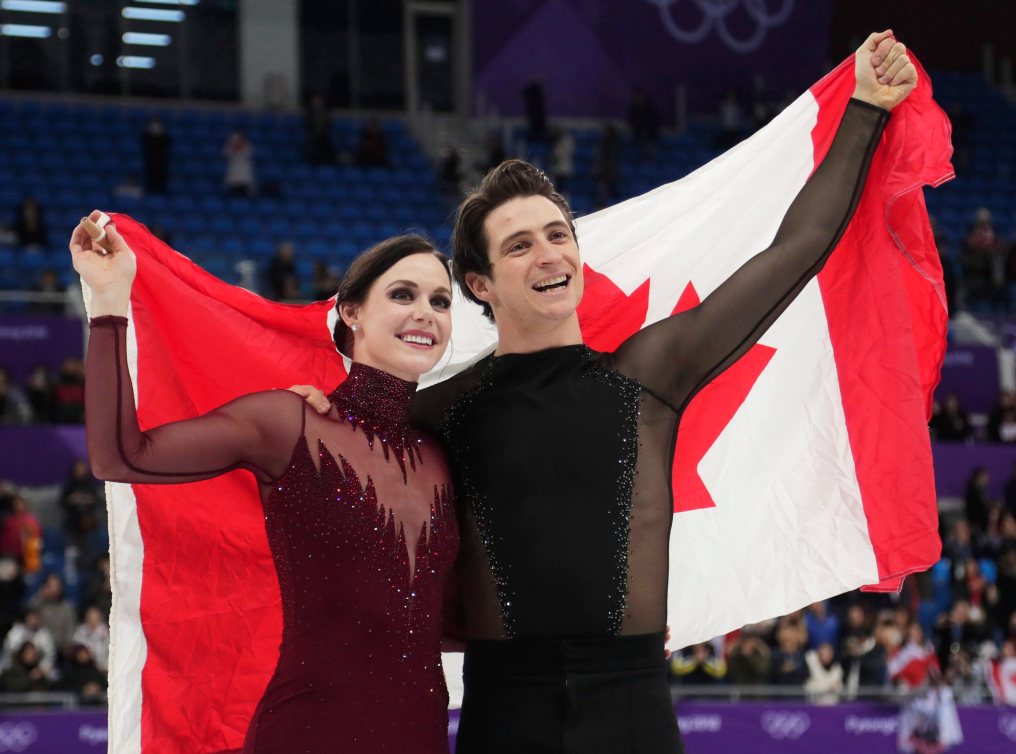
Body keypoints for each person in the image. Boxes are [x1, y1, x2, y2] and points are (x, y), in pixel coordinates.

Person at [296, 30, 916, 753]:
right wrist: (320, 410)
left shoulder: (650, 376)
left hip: (634, 711)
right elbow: (335, 447)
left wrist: (867, 110)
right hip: (505, 713)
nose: (549, 253)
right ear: (480, 285)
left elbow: (795, 251)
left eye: (557, 235)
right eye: (520, 244)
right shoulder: (443, 409)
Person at [70, 216, 459, 754]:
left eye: (441, 302)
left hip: (421, 734)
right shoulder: (290, 422)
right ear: (351, 312)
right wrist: (110, 301)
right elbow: (121, 455)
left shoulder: (439, 453)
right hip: (307, 733)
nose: (425, 313)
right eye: (402, 294)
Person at [141, 118, 171, 194]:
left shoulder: (164, 138)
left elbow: (167, 144)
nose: (155, 129)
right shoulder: (147, 137)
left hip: (161, 164)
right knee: (151, 179)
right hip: (150, 163)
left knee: (161, 180)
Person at [223, 129, 255, 197]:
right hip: (233, 179)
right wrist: (233, 146)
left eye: (239, 139)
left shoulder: (248, 147)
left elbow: (249, 153)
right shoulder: (229, 147)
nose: (237, 141)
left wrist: (241, 146)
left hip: (245, 179)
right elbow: (225, 154)